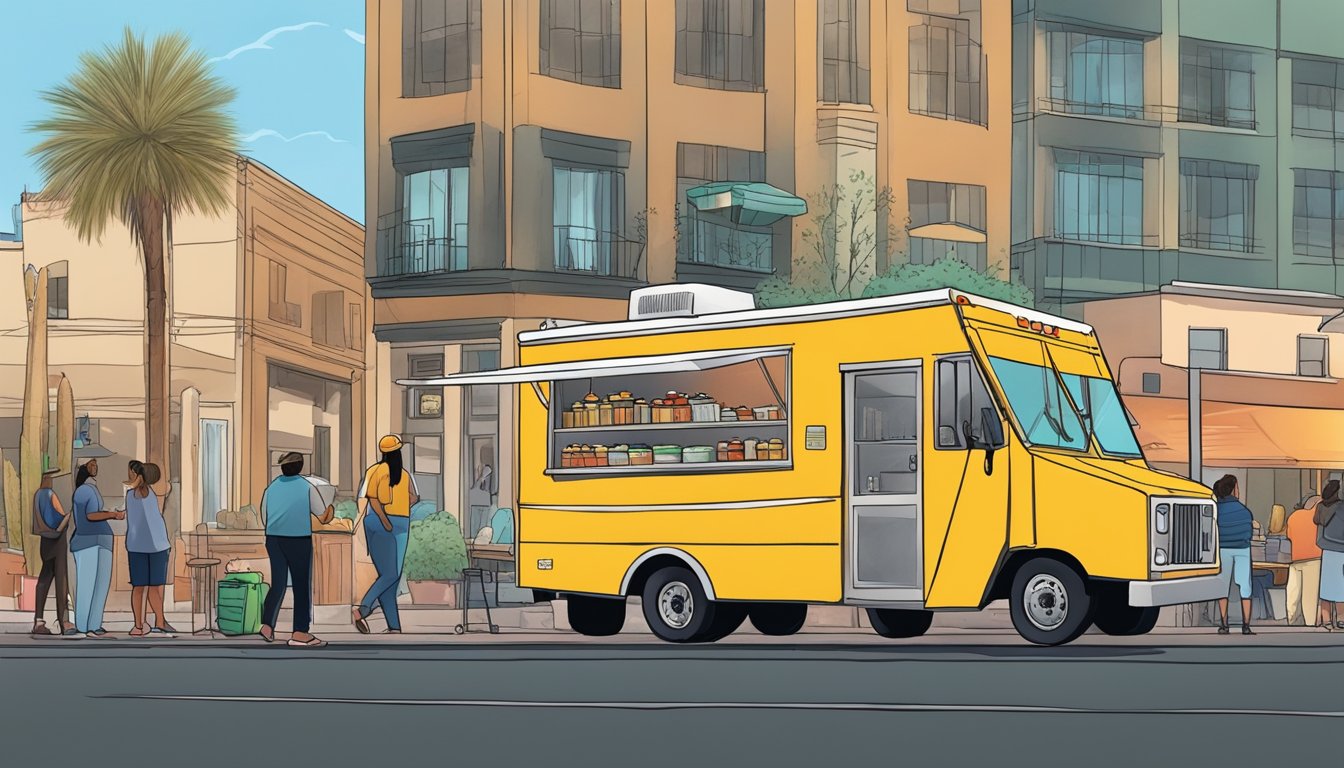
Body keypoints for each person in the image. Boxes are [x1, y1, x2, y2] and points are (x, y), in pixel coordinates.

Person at [259, 452, 334, 647]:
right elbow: (323, 516)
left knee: (278, 583)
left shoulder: (271, 488)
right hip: (298, 540)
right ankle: (300, 632)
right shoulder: (306, 487)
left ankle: (267, 625)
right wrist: (331, 507)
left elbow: (264, 518)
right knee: (301, 586)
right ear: (300, 467)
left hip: (273, 539)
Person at [353, 435, 419, 634]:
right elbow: (414, 497)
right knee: (392, 574)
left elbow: (367, 499)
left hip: (375, 522)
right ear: (398, 453)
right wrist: (392, 515)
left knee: (388, 576)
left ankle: (394, 626)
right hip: (395, 524)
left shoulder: (373, 470)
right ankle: (362, 609)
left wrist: (381, 518)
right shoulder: (404, 474)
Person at [120, 460, 174, 637]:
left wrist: (137, 480)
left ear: (138, 475)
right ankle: (142, 624)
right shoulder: (137, 494)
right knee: (142, 586)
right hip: (146, 546)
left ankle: (157, 621)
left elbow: (132, 490)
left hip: (153, 546)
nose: (128, 476)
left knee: (149, 586)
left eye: (131, 472)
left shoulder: (142, 493)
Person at [70, 460, 123, 637]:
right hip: (87, 541)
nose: (95, 467)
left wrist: (108, 514)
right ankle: (83, 626)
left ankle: (94, 624)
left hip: (103, 540)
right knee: (87, 585)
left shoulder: (92, 489)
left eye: (96, 464)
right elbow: (91, 515)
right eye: (91, 465)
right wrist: (113, 515)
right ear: (83, 468)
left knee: (101, 585)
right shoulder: (84, 490)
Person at [31, 465, 75, 636]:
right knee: (61, 581)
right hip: (58, 541)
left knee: (44, 578)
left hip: (45, 541)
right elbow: (59, 519)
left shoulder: (37, 495)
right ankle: (63, 622)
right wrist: (69, 515)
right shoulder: (50, 494)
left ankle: (38, 620)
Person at [1212, 474, 1255, 635]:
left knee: (1222, 586)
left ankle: (1224, 625)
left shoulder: (1217, 510)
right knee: (1245, 586)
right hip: (1242, 549)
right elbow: (1249, 534)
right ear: (1234, 489)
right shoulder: (1244, 511)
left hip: (1222, 550)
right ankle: (1246, 626)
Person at [1315, 480, 1344, 631]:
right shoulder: (1341, 507)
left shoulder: (1320, 506)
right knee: (1340, 585)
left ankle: (1326, 620)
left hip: (1326, 548)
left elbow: (1316, 522)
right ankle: (1341, 618)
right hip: (1341, 549)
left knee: (1326, 585)